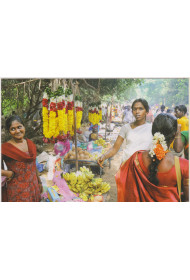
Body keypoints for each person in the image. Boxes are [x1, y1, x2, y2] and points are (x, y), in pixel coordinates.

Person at [115, 113, 189, 202]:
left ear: (153, 132)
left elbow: (125, 183)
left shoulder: (136, 158)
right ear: (174, 135)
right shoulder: (184, 165)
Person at [98, 98, 152, 166]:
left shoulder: (151, 128)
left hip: (144, 167)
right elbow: (115, 148)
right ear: (132, 111)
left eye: (140, 109)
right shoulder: (126, 128)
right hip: (127, 165)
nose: (137, 112)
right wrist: (104, 156)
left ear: (146, 112)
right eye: (135, 109)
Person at [1, 115, 42, 202]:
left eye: (19, 127)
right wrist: (7, 173)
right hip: (17, 191)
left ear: (24, 127)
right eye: (13, 129)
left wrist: (39, 182)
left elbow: (33, 165)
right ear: (9, 132)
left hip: (33, 186)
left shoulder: (30, 144)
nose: (17, 131)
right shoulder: (5, 148)